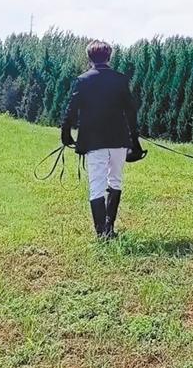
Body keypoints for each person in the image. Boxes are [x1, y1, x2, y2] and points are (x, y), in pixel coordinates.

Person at [61, 40, 145, 239]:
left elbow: (71, 110)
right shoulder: (120, 79)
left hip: (93, 140)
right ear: (109, 57)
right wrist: (135, 139)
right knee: (115, 180)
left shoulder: (83, 80)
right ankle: (109, 227)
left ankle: (101, 233)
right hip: (118, 139)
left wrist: (65, 133)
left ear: (89, 58)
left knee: (96, 185)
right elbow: (131, 111)